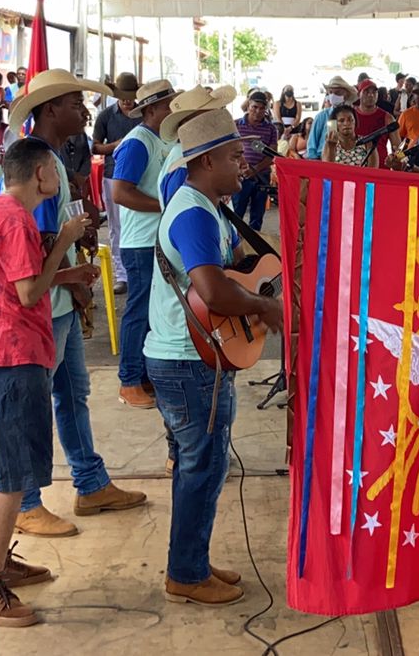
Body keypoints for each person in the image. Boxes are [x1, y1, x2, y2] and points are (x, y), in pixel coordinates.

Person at [147, 108, 282, 607]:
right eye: (232, 157)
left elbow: (225, 278)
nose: (241, 166)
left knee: (201, 465)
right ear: (204, 162)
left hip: (199, 356)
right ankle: (185, 572)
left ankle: (192, 561)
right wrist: (267, 307)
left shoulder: (201, 205)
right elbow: (212, 291)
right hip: (188, 361)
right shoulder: (195, 213)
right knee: (201, 466)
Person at [0, 137, 91, 627]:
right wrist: (63, 239)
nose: (59, 178)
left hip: (2, 352)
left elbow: (14, 280)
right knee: (11, 474)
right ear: (40, 175)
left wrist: (66, 272)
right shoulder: (17, 219)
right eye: (54, 170)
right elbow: (28, 289)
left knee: (11, 467)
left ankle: (1, 564)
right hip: (11, 353)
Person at [7, 69, 146, 537]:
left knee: (72, 394)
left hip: (61, 301)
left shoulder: (54, 158)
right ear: (51, 110)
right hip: (48, 301)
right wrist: (69, 277)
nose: (85, 112)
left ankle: (89, 481)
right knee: (37, 402)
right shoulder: (37, 165)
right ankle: (26, 501)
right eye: (74, 104)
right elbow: (37, 242)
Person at [110, 80, 178, 408]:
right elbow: (120, 192)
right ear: (151, 110)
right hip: (140, 242)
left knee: (153, 310)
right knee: (139, 310)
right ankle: (129, 380)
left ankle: (145, 374)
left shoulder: (163, 139)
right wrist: (167, 206)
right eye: (169, 106)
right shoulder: (138, 142)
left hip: (156, 238)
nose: (173, 111)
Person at [92, 73, 145, 294]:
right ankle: (122, 274)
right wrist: (117, 145)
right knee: (116, 226)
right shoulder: (105, 116)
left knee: (141, 223)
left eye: (130, 96)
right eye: (123, 97)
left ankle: (140, 271)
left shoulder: (144, 114)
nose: (127, 100)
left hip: (142, 175)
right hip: (114, 175)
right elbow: (95, 147)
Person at [233, 90, 280, 229]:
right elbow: (229, 150)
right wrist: (242, 168)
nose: (258, 111)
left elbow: (272, 154)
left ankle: (254, 246)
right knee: (237, 214)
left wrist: (256, 170)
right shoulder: (236, 125)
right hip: (240, 175)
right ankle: (235, 245)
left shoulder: (271, 129)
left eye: (261, 108)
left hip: (261, 176)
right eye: (254, 107)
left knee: (257, 216)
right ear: (248, 106)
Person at [304, 76, 355, 160]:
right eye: (330, 92)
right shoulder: (322, 116)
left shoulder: (352, 117)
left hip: (346, 160)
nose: (333, 96)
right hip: (322, 160)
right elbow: (311, 146)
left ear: (346, 94)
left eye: (337, 92)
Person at [321, 104, 378, 168]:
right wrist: (331, 147)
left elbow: (373, 170)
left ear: (355, 121)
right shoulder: (329, 143)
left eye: (350, 120)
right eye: (341, 121)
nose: (346, 123)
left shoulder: (367, 142)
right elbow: (327, 169)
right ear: (335, 124)